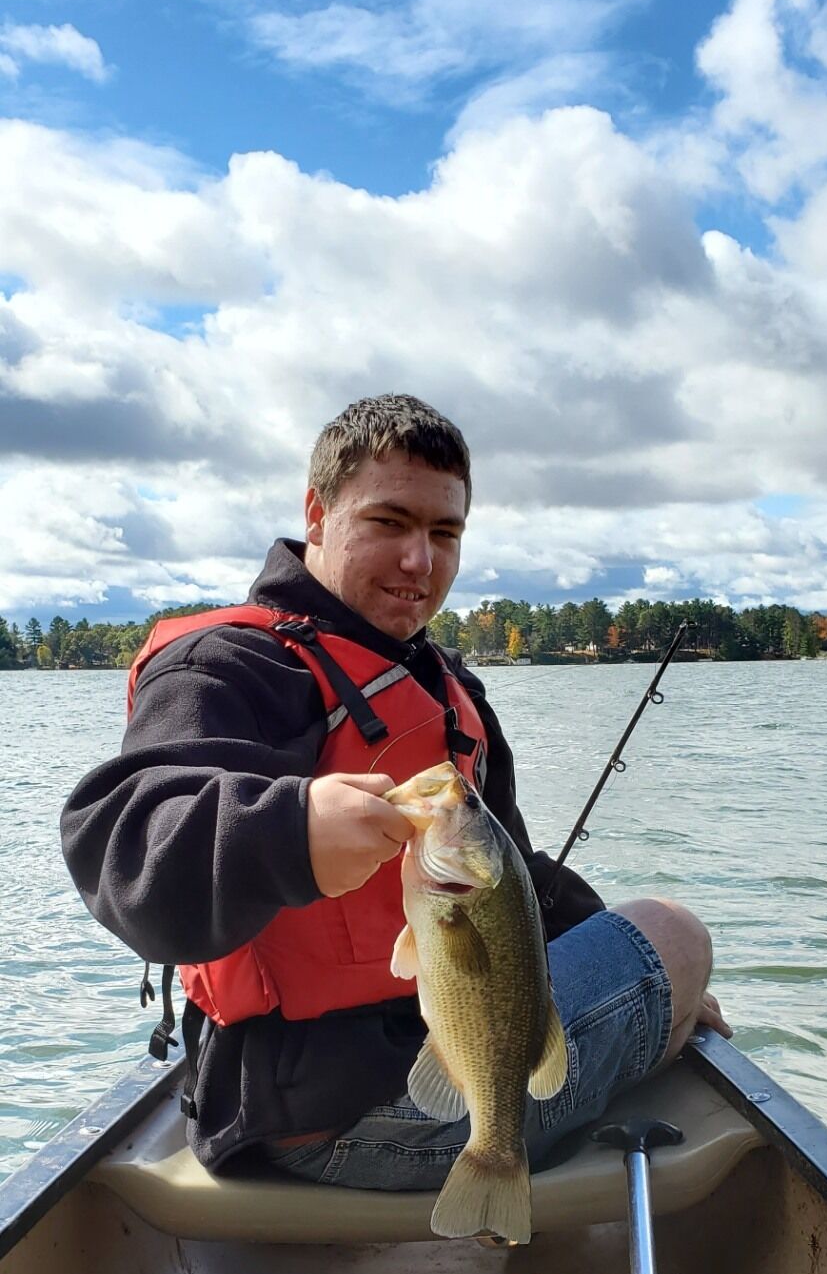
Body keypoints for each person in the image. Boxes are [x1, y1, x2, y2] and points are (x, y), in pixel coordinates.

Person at [61, 394, 730, 1194]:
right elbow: (125, 849)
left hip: (433, 1058)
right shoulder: (227, 668)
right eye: (390, 522)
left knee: (651, 949)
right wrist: (290, 833)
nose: (420, 560)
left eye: (445, 533)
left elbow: (513, 879)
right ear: (318, 513)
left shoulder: (445, 684)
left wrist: (622, 959)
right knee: (675, 932)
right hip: (321, 1114)